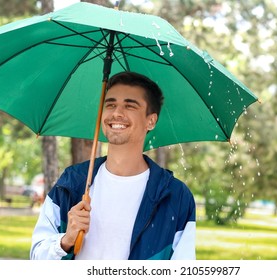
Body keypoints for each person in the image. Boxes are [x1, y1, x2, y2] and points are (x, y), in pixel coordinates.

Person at [30, 71, 196, 260]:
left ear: (151, 121)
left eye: (129, 105)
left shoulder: (175, 196)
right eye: (110, 104)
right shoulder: (72, 182)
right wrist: (65, 240)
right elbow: (37, 257)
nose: (116, 113)